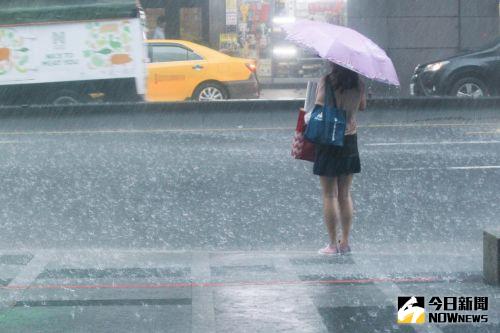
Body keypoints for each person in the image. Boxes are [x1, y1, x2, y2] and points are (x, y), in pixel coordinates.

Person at [311, 64, 366, 255]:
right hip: (350, 139)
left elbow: (319, 105)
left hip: (328, 138)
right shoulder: (359, 83)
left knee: (329, 194)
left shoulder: (327, 81)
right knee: (345, 193)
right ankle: (345, 242)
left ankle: (332, 244)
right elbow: (362, 106)